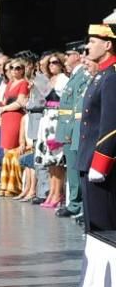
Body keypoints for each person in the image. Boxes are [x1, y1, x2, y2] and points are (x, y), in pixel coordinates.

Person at [79, 23, 116, 232]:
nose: (88, 47)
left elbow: (112, 124)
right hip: (88, 159)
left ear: (108, 45)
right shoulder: (101, 75)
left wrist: (101, 163)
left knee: (104, 227)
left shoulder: (112, 76)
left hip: (101, 164)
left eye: (93, 42)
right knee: (92, 226)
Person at [56, 41, 90, 220]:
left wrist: (69, 131)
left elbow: (78, 107)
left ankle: (78, 204)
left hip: (74, 129)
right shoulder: (75, 76)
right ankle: (74, 203)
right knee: (72, 169)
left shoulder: (83, 75)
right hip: (69, 129)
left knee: (77, 169)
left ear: (77, 55)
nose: (66, 58)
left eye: (68, 55)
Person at [34, 53, 70, 208]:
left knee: (57, 159)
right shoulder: (48, 80)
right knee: (49, 161)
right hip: (46, 117)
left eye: (55, 62)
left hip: (57, 118)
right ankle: (52, 192)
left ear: (61, 64)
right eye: (50, 63)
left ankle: (58, 193)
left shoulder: (64, 79)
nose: (52, 65)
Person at [0, 57, 30, 197]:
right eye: (12, 68)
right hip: (6, 118)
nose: (15, 70)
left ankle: (15, 186)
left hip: (16, 117)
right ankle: (5, 184)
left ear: (23, 70)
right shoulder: (10, 83)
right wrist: (0, 114)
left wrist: (3, 110)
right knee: (6, 151)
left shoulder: (24, 83)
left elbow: (21, 102)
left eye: (18, 68)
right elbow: (4, 101)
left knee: (14, 150)